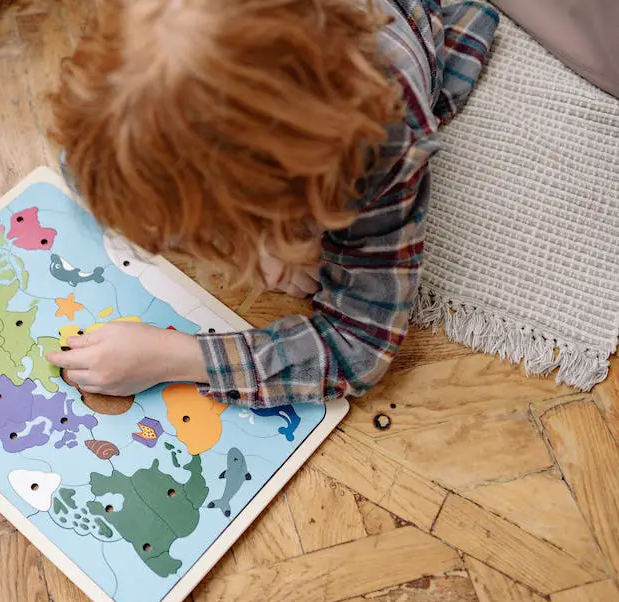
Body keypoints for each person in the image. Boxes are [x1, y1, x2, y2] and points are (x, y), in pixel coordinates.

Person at [45, 0, 499, 407]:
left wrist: (175, 357)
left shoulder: (384, 144)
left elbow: (358, 346)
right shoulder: (135, 79)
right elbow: (82, 165)